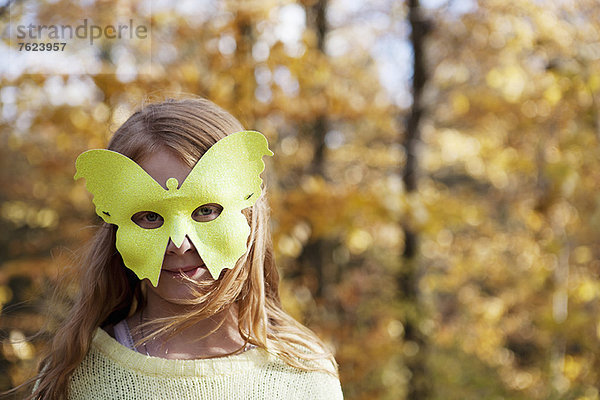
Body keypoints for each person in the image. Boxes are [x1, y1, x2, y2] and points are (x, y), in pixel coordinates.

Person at [25, 96, 343, 399]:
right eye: (150, 216)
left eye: (206, 210)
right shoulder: (75, 374)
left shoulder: (304, 374)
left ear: (249, 214)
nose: (179, 243)